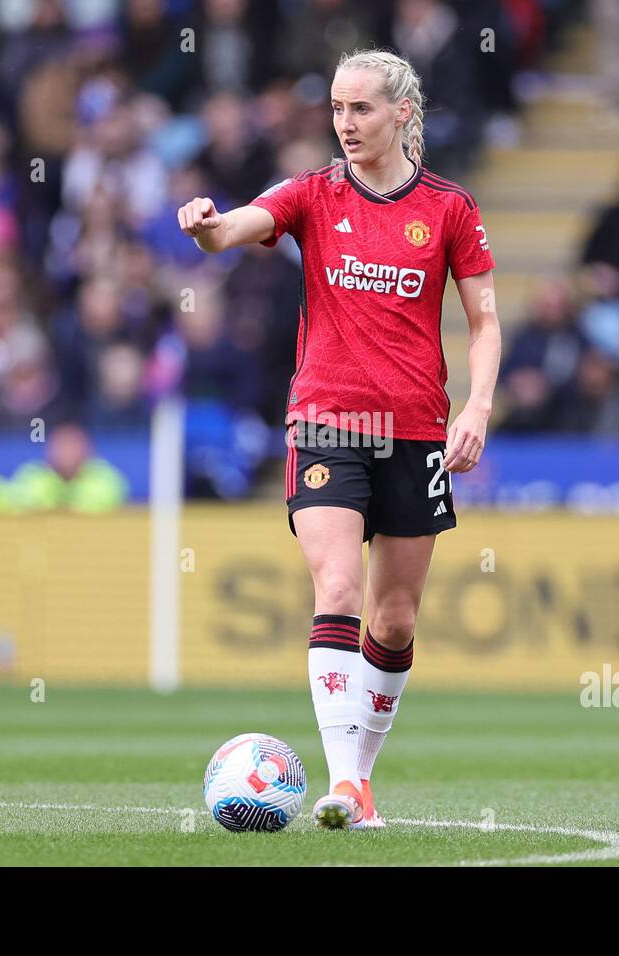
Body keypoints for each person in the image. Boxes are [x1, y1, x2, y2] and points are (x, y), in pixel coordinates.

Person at [176, 48, 500, 830]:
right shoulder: (314, 195)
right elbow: (237, 229)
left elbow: (485, 319)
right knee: (337, 591)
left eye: (361, 109)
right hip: (327, 422)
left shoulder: (450, 209)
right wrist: (207, 226)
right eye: (336, 109)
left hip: (418, 431)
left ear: (402, 114)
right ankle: (346, 783)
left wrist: (477, 407)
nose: (345, 124)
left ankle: (361, 776)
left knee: (394, 620)